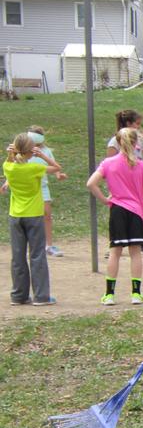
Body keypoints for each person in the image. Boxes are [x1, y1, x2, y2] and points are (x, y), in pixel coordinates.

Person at [87, 127, 143, 305]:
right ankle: (136, 294)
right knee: (135, 253)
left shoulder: (108, 163)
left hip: (117, 210)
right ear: (136, 143)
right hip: (136, 212)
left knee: (115, 252)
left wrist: (104, 199)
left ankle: (109, 295)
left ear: (118, 143)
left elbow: (91, 183)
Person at [3, 132, 66, 306]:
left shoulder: (8, 167)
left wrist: (11, 154)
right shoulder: (34, 168)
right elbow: (56, 167)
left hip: (16, 216)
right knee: (37, 255)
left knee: (18, 256)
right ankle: (41, 296)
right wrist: (43, 155)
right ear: (31, 151)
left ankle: (19, 296)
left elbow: (10, 162)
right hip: (34, 215)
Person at [106, 109, 143, 256]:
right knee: (119, 216)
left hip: (138, 185)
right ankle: (116, 245)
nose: (139, 128)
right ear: (128, 123)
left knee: (141, 214)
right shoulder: (115, 141)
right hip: (121, 189)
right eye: (137, 124)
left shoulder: (138, 140)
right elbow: (110, 166)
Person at [27, 126, 65, 257]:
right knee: (31, 218)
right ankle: (32, 246)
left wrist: (59, 175)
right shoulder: (24, 151)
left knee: (47, 215)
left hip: (42, 188)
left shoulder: (46, 151)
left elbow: (54, 165)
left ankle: (49, 245)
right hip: (28, 189)